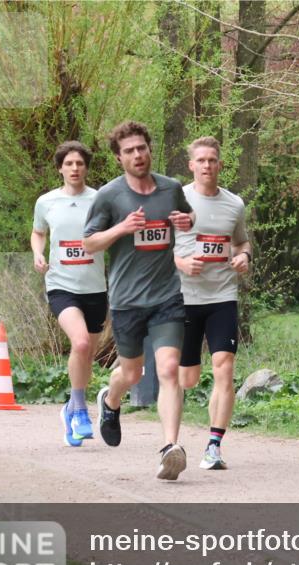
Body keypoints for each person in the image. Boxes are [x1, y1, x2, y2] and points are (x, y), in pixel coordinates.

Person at [83, 121, 194, 480]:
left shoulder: (171, 188)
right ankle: (110, 400)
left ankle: (170, 448)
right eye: (129, 151)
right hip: (127, 300)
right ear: (119, 158)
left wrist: (186, 221)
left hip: (167, 296)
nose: (137, 155)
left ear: (150, 148)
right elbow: (89, 242)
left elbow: (187, 214)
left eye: (141, 148)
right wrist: (121, 228)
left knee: (169, 369)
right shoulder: (109, 196)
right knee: (131, 373)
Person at [174, 136, 251, 471]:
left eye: (212, 160)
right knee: (187, 379)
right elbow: (156, 248)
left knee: (225, 366)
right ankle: (173, 439)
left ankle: (214, 446)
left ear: (220, 164)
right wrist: (180, 262)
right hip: (184, 298)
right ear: (191, 165)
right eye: (201, 160)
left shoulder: (234, 204)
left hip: (222, 296)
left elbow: (242, 242)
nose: (207, 165)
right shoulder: (176, 201)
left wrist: (244, 256)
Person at [31, 141, 106, 447]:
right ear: (60, 168)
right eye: (69, 164)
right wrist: (38, 254)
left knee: (86, 354)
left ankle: (70, 408)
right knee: (81, 342)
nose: (75, 168)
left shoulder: (100, 199)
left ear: (86, 168)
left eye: (80, 163)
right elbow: (38, 232)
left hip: (95, 287)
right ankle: (80, 411)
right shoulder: (46, 202)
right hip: (61, 285)